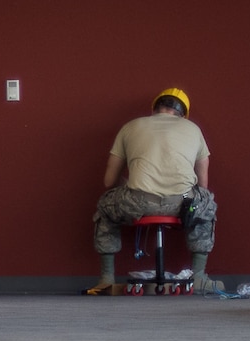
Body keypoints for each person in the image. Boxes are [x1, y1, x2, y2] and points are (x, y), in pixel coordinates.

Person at [89, 87, 219, 295]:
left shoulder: (130, 127)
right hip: (183, 200)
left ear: (155, 108)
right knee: (205, 203)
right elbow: (202, 185)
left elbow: (108, 181)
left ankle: (106, 279)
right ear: (183, 113)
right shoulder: (192, 128)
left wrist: (131, 183)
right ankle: (199, 277)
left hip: (138, 200)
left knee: (106, 205)